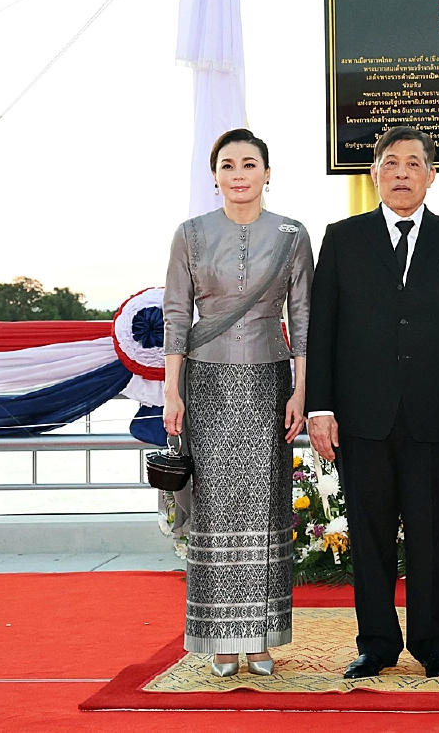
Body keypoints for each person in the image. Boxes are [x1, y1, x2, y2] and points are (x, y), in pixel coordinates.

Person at [306, 126, 439, 680]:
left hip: (436, 415)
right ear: (375, 175)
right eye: (391, 163)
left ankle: (434, 642)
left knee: (434, 531)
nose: (403, 172)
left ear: (431, 175)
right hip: (362, 416)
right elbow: (324, 330)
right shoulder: (342, 239)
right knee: (369, 532)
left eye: (414, 163)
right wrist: (321, 407)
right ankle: (377, 643)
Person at [162, 128, 313, 677]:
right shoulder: (190, 235)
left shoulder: (294, 235)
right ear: (216, 175)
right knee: (216, 509)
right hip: (205, 384)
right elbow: (177, 315)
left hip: (270, 383)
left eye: (250, 164)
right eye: (228, 165)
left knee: (264, 510)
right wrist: (171, 389)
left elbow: (302, 317)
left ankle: (261, 640)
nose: (240, 174)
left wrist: (301, 388)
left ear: (268, 173)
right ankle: (220, 641)